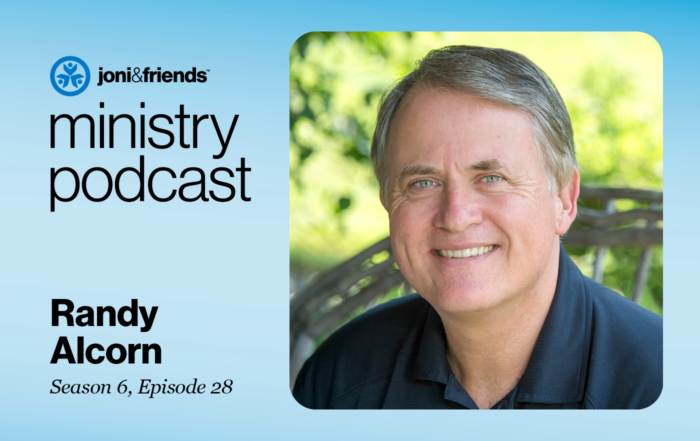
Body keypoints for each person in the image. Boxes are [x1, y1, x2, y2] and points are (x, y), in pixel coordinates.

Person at [292, 46, 662, 409]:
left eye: (491, 177)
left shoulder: (662, 386)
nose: (455, 217)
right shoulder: (339, 379)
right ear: (387, 201)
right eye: (422, 183)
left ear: (564, 199)